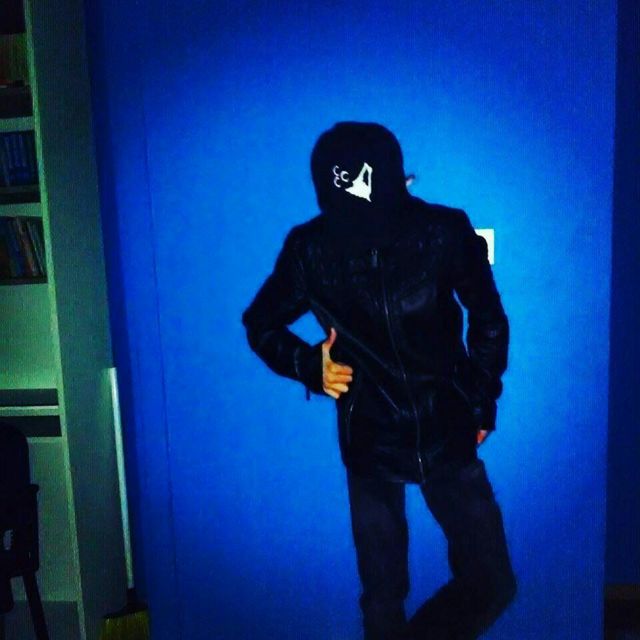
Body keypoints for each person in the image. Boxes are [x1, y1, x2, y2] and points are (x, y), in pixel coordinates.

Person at [241, 121, 517, 640]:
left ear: (401, 184)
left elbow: (489, 319)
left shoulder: (443, 231)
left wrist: (481, 402)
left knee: (492, 582)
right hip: (369, 437)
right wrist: (308, 366)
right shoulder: (309, 248)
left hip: (447, 426)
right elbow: (260, 323)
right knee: (382, 599)